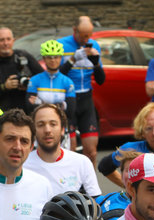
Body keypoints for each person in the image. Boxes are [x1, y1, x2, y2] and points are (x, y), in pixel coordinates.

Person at [24, 103, 100, 197]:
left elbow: (96, 201)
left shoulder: (82, 162)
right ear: (33, 131)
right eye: (40, 125)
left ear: (62, 130)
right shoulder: (23, 166)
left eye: (53, 124)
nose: (47, 130)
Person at [58, 16, 105, 164]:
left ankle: (88, 186)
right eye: (83, 36)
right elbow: (56, 76)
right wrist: (72, 60)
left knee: (91, 151)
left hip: (86, 99)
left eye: (88, 36)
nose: (86, 40)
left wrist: (96, 64)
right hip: (68, 100)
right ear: (74, 30)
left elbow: (101, 80)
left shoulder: (94, 45)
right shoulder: (61, 45)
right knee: (69, 151)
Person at [0, 27, 43, 113]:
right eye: (2, 40)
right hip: (3, 114)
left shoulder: (24, 57)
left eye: (8, 39)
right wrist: (4, 87)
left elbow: (43, 78)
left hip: (27, 113)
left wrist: (30, 84)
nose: (5, 43)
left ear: (13, 40)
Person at [27, 40, 76, 137]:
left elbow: (70, 111)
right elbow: (29, 108)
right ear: (44, 59)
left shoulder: (68, 82)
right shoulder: (34, 80)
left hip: (60, 130)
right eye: (49, 57)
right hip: (40, 130)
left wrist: (40, 103)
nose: (53, 60)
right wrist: (60, 105)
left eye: (56, 57)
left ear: (61, 58)